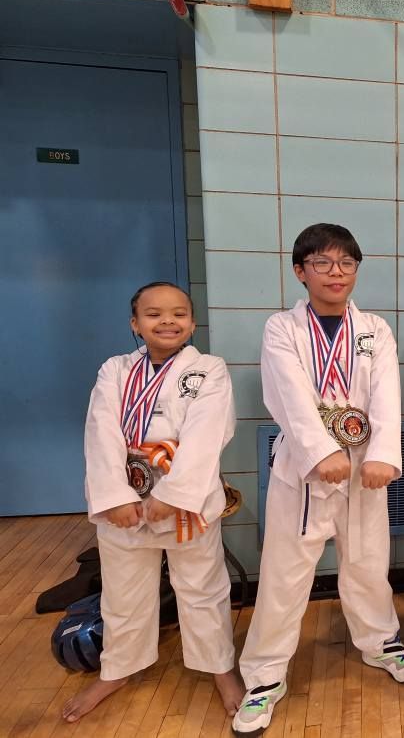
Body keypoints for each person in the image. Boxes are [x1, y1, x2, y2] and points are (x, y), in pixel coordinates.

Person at [233, 224, 404, 736]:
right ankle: (266, 674)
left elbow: (386, 394)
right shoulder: (282, 329)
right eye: (322, 263)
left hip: (364, 470)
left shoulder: (375, 330)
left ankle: (380, 641)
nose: (336, 272)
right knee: (285, 572)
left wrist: (385, 454)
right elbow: (288, 395)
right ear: (301, 271)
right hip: (304, 471)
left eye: (346, 263)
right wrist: (320, 451)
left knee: (367, 563)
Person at [63, 282, 242, 722]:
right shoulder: (115, 370)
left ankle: (221, 669)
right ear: (135, 324)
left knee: (203, 590)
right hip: (123, 501)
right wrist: (114, 497)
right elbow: (100, 432)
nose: (167, 321)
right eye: (154, 314)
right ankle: (117, 669)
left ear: (192, 322)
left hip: (185, 502)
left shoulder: (209, 369)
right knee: (123, 593)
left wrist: (173, 494)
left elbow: (206, 435)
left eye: (179, 313)